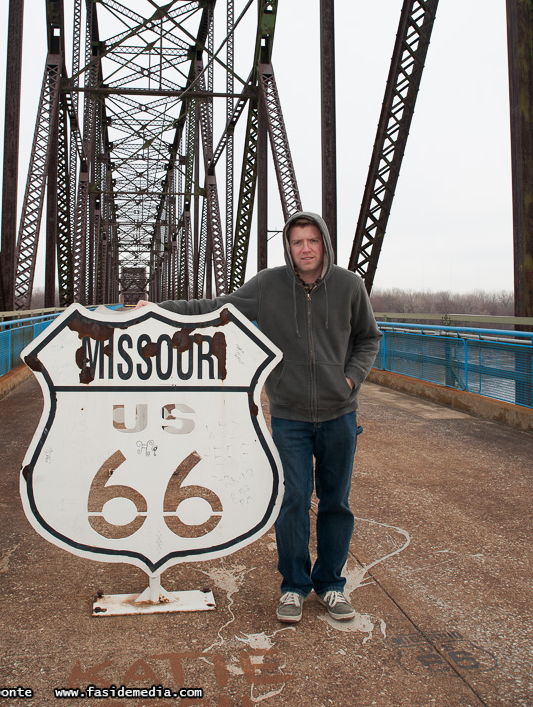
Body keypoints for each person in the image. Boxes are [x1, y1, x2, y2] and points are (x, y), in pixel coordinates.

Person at [135, 211, 381, 623]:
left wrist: (351, 380)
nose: (305, 248)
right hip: (290, 417)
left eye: (312, 241)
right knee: (293, 501)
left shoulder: (349, 286)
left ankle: (331, 585)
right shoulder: (269, 285)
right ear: (289, 247)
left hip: (340, 414)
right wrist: (160, 310)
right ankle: (294, 586)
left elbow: (367, 338)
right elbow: (217, 308)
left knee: (336, 502)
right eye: (297, 242)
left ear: (324, 244)